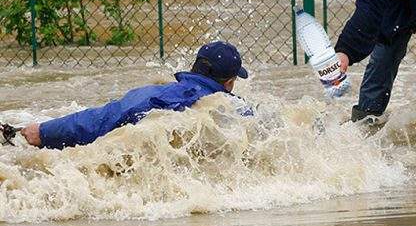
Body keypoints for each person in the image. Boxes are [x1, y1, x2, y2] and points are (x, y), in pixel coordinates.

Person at [15, 41, 250, 149]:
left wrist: (43, 132)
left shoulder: (157, 95)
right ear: (230, 82)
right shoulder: (235, 109)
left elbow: (102, 119)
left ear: (194, 67)